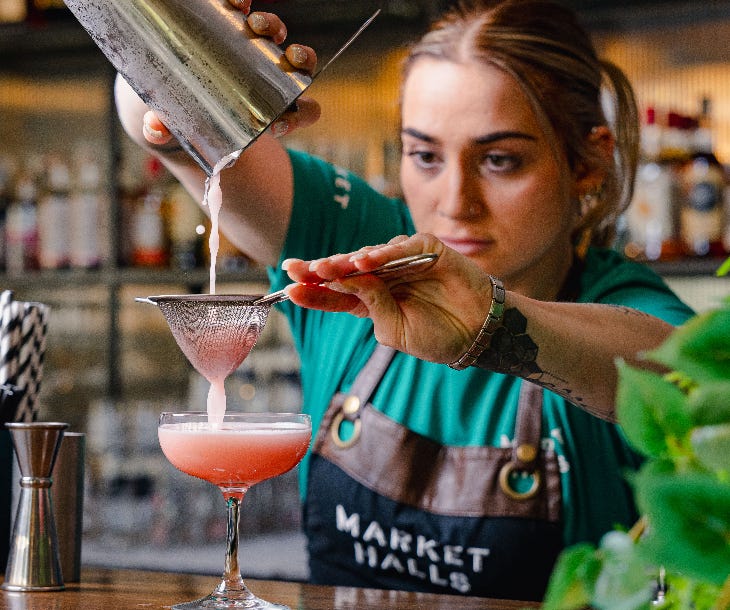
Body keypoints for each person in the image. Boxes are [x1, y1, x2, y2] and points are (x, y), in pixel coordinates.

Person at [115, 0, 695, 600]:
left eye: (500, 160)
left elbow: (683, 381)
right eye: (425, 156)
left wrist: (494, 323)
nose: (455, 201)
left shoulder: (615, 302)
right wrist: (184, 47)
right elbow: (160, 129)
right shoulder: (356, 247)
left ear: (587, 163)